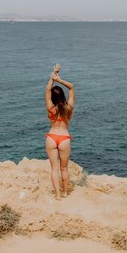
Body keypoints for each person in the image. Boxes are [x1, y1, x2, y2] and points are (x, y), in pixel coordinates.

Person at [45, 64, 75, 200]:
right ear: (62, 96)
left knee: (54, 169)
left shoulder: (51, 108)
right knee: (64, 168)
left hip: (51, 137)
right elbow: (72, 87)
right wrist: (60, 80)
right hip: (64, 138)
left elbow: (47, 90)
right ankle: (64, 193)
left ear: (52, 97)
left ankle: (57, 195)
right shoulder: (69, 108)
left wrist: (53, 75)